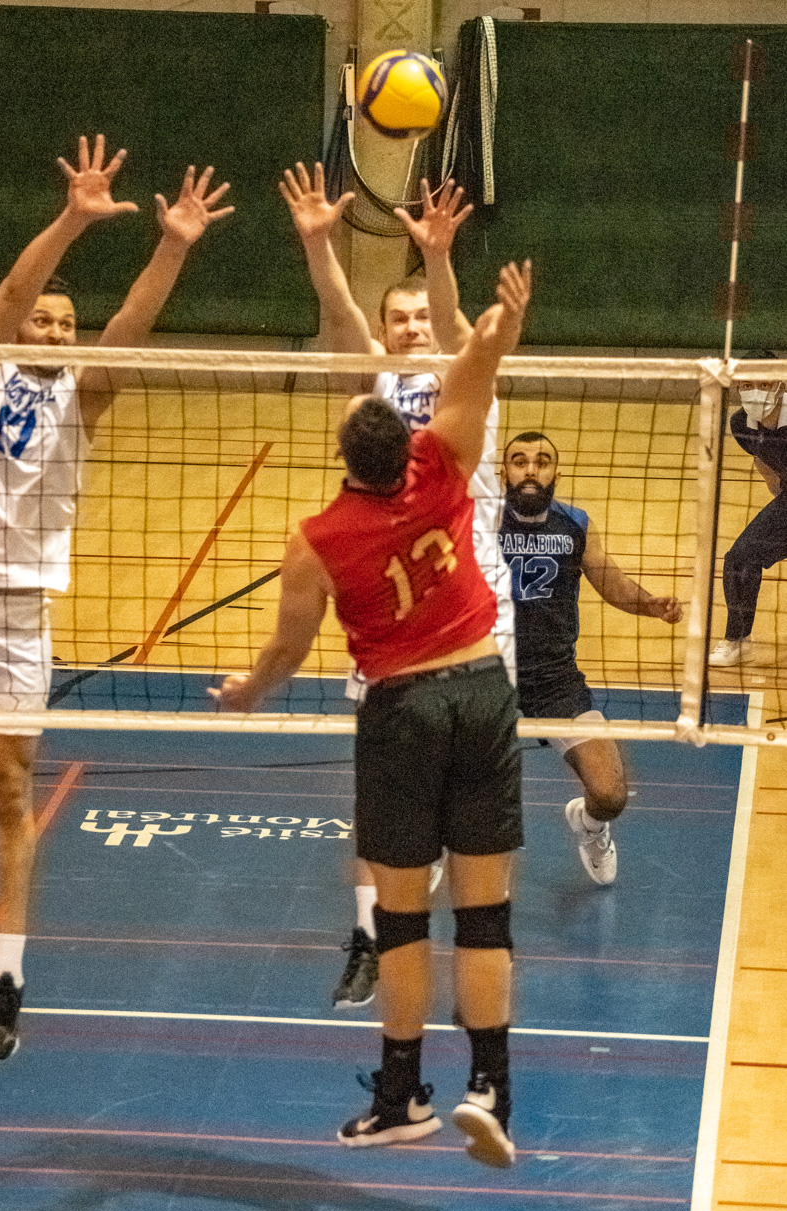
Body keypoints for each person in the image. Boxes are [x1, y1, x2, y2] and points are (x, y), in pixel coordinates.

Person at [0, 137, 233, 1059]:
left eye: (65, 324)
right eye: (43, 322)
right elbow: (5, 297)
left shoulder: (81, 401)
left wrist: (172, 246)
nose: (54, 332)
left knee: (5, 787)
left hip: (16, 616)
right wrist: (74, 220)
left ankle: (5, 979)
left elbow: (130, 326)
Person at [211, 260, 532, 1169]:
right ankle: (492, 1089)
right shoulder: (444, 464)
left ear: (344, 456)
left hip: (401, 714)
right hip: (482, 694)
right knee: (485, 916)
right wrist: (497, 325)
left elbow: (285, 649)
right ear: (408, 441)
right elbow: (473, 369)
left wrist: (246, 692)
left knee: (399, 920)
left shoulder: (316, 539)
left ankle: (401, 1098)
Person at [279, 162, 515, 1005]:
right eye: (401, 318)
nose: (413, 328)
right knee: (382, 787)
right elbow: (343, 320)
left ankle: (455, 934)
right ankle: (369, 935)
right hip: (389, 609)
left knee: (464, 793)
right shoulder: (373, 389)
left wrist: (440, 257)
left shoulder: (460, 377)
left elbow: (459, 330)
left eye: (419, 317)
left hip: (476, 607)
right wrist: (318, 246)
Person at [499, 431, 683, 884]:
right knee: (447, 778)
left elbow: (611, 583)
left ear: (555, 472)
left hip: (555, 679)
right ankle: (438, 850)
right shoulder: (478, 520)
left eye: (541, 461)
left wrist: (649, 604)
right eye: (519, 460)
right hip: (486, 674)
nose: (530, 469)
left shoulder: (575, 523)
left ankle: (589, 824)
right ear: (504, 471)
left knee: (611, 793)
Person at [708, 372, 787, 666]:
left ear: (782, 386)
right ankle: (738, 640)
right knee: (740, 558)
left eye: (764, 384)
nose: (755, 392)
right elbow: (764, 462)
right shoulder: (741, 424)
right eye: (746, 385)